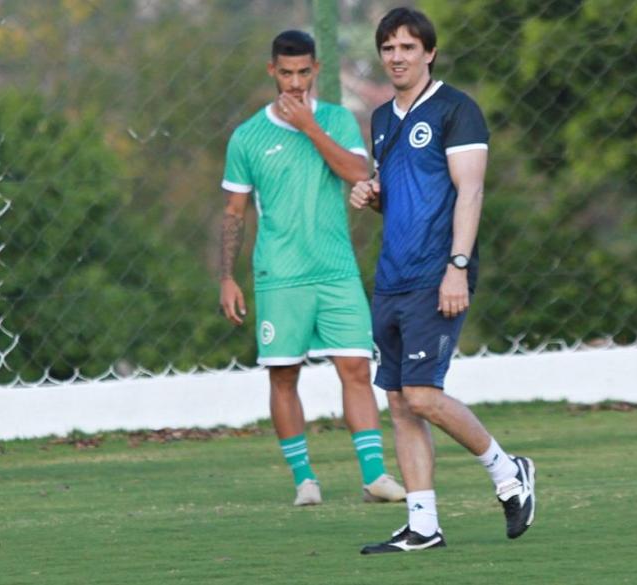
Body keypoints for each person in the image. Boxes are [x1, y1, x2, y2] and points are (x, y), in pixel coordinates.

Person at [349, 8, 535, 553]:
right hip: (392, 277)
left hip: (438, 274)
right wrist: (373, 197)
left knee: (424, 396)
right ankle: (423, 525)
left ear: (429, 52)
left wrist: (457, 267)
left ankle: (508, 471)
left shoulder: (457, 110)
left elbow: (469, 193)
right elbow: (409, 197)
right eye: (389, 48)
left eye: (409, 47)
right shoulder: (383, 118)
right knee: (401, 404)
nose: (398, 57)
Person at [219, 30, 405, 507]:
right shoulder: (248, 136)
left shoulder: (338, 120)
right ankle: (305, 480)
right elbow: (235, 212)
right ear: (272, 72)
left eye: (304, 72)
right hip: (279, 276)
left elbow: (359, 174)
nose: (295, 82)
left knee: (357, 370)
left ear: (316, 70)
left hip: (336, 270)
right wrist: (227, 277)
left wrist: (310, 128)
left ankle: (375, 477)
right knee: (283, 376)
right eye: (286, 73)